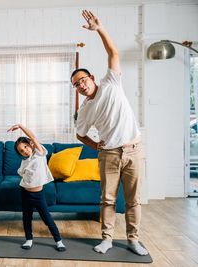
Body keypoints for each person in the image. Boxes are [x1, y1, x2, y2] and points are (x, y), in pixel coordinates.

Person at [71, 10, 148, 256]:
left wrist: (99, 29)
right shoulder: (84, 110)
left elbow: (113, 53)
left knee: (134, 200)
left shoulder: (111, 83)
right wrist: (97, 147)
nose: (81, 86)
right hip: (109, 155)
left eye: (82, 80)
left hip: (134, 149)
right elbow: (80, 135)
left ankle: (133, 239)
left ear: (92, 78)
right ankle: (106, 239)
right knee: (107, 200)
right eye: (76, 85)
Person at [7, 124, 66, 252]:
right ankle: (29, 239)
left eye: (25, 147)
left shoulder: (40, 153)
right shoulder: (25, 161)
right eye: (21, 151)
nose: (25, 151)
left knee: (47, 218)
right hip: (25, 192)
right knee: (26, 217)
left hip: (37, 195)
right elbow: (22, 173)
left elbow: (32, 136)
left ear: (30, 144)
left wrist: (20, 126)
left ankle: (58, 241)